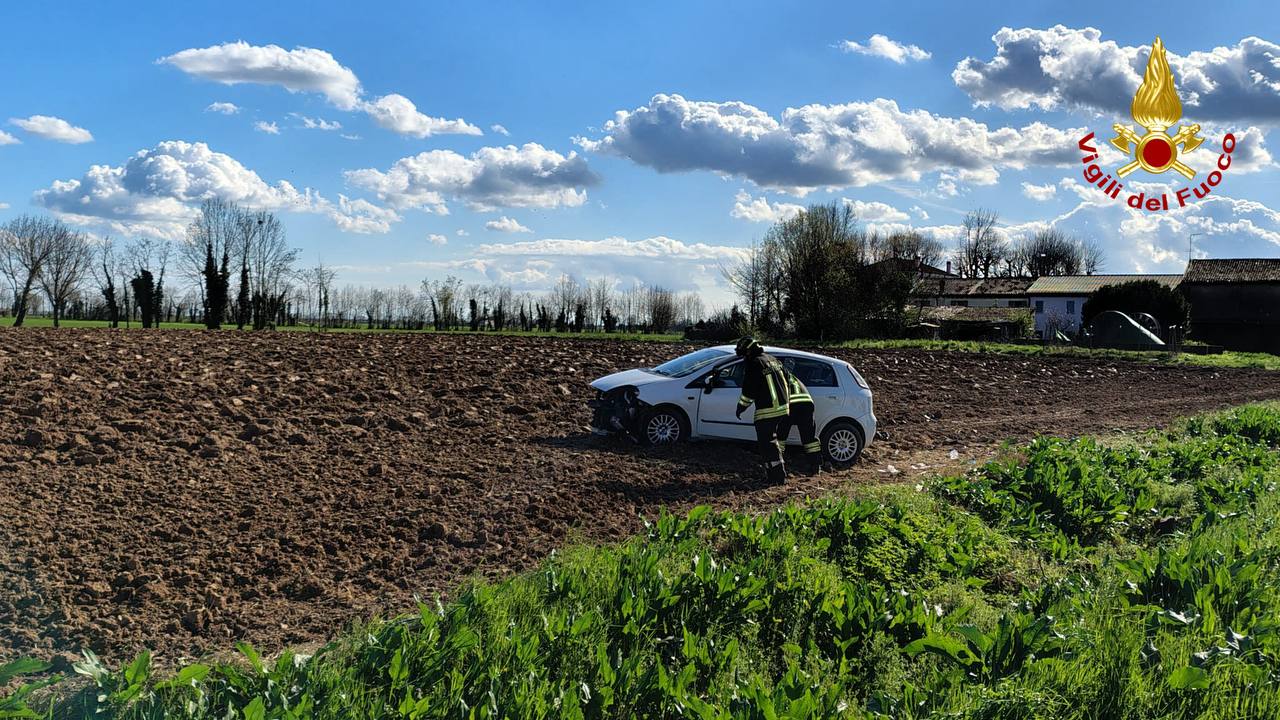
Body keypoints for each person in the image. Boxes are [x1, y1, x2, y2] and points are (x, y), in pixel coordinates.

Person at [733, 337, 791, 483]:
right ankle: (776, 474)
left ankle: (777, 477)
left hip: (768, 410)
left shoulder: (755, 363)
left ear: (748, 352)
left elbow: (749, 390)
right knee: (772, 441)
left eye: (743, 355)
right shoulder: (773, 360)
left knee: (767, 444)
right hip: (783, 408)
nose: (743, 358)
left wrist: (741, 407)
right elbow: (787, 378)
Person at [777, 368, 822, 475]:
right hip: (807, 403)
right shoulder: (791, 377)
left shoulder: (776, 377)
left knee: (781, 435)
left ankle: (778, 464)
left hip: (791, 404)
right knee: (809, 437)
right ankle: (816, 466)